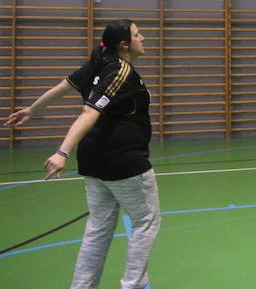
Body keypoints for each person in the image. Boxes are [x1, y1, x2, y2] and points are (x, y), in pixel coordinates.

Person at [5, 19, 160, 289]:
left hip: (94, 164)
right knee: (146, 221)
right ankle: (133, 284)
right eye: (137, 35)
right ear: (125, 44)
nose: (143, 38)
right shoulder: (120, 70)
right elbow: (90, 111)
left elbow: (63, 86)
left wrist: (31, 110)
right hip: (124, 162)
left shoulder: (98, 62)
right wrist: (62, 152)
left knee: (98, 229)